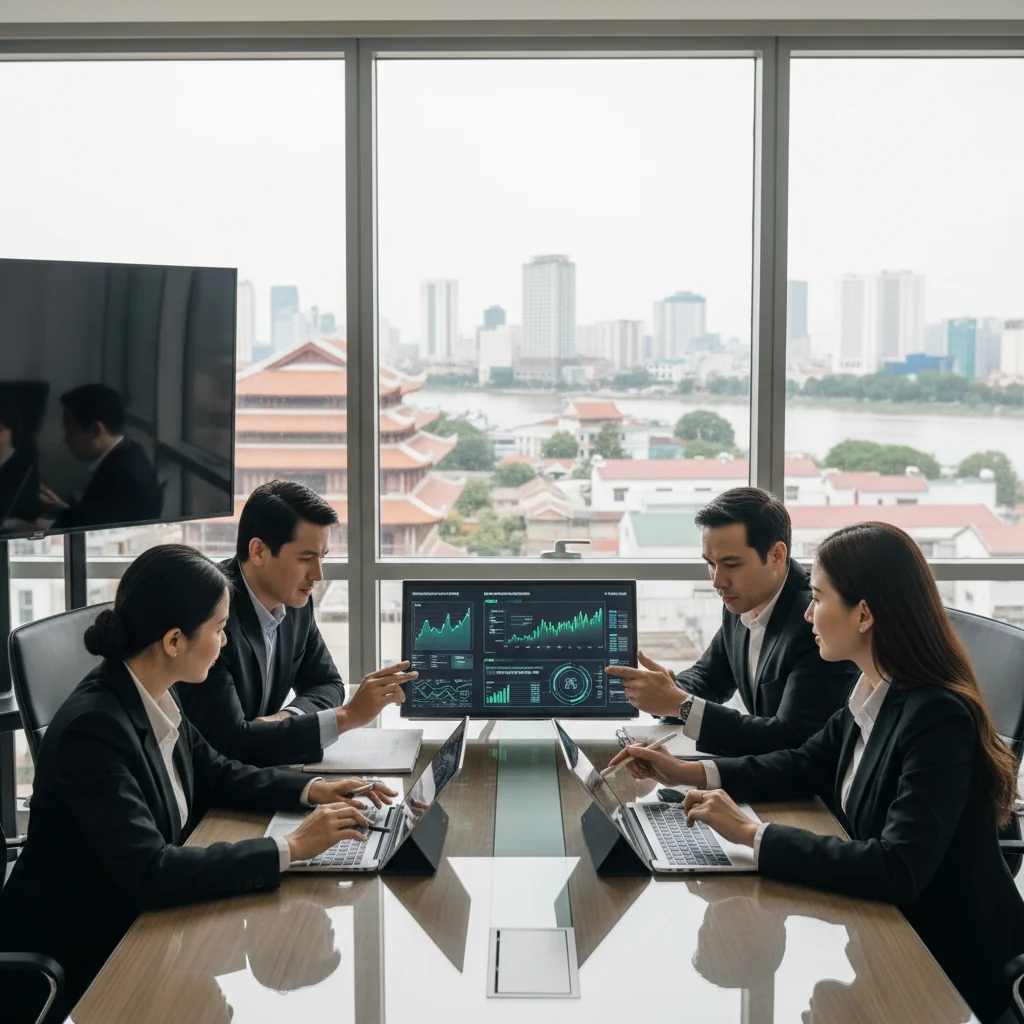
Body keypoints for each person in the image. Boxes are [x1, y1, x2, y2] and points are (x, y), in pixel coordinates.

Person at [607, 522, 1024, 1023]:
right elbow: (805, 764)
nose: (807, 612)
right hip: (884, 937)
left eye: (819, 598)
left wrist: (753, 834)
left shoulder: (936, 717)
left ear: (863, 614)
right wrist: (687, 773)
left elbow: (897, 869)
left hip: (945, 963)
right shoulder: (875, 691)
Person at [0, 544, 397, 1023]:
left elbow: (215, 772)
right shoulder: (95, 730)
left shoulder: (153, 693)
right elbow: (151, 872)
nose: (226, 642)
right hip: (89, 954)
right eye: (219, 629)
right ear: (173, 641)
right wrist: (289, 848)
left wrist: (309, 790)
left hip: (145, 924)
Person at [176, 480, 416, 767]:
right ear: (258, 551)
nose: (318, 575)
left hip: (260, 773)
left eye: (322, 557)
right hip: (210, 792)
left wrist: (286, 717)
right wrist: (347, 716)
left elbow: (327, 683)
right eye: (306, 559)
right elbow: (231, 743)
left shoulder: (295, 601)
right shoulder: (210, 615)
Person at [606, 487, 857, 755]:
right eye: (711, 564)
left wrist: (680, 704)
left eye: (731, 565)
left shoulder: (816, 622)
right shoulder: (740, 603)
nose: (717, 581)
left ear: (777, 556)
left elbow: (790, 738)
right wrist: (669, 690)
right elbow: (709, 677)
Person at [39, 383, 162, 529]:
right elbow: (93, 517)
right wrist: (63, 509)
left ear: (97, 429)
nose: (66, 439)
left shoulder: (122, 477)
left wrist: (35, 528)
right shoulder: (131, 452)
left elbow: (89, 530)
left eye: (70, 429)